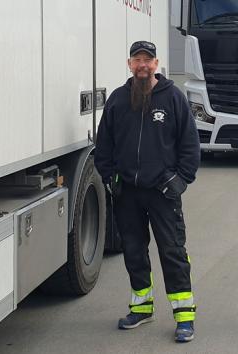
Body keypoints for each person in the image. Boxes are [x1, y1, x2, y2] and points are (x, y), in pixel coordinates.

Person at [94, 40, 200, 343]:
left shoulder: (174, 99)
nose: (143, 65)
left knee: (172, 251)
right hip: (128, 193)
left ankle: (184, 316)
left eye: (148, 60)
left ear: (156, 64)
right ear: (129, 64)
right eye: (137, 60)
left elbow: (190, 146)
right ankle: (141, 308)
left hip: (163, 192)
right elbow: (104, 147)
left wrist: (179, 181)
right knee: (134, 251)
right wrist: (111, 179)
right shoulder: (117, 100)